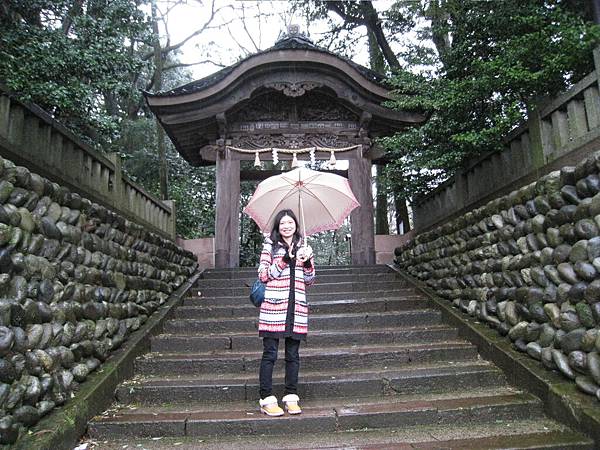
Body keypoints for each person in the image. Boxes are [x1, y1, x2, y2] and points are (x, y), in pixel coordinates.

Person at [257, 209, 315, 416]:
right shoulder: (269, 247)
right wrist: (284, 260)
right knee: (270, 354)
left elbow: (309, 281)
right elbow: (264, 275)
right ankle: (265, 398)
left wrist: (307, 262)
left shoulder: (304, 247)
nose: (287, 226)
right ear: (277, 227)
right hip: (273, 309)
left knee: (293, 355)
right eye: (282, 223)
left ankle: (291, 396)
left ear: (296, 226)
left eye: (290, 222)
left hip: (296, 309)